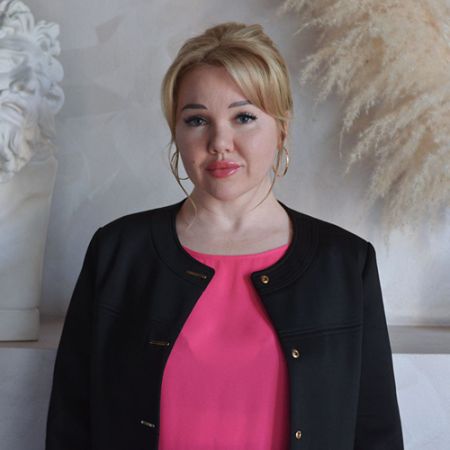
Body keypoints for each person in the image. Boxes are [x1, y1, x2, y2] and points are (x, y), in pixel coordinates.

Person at [45, 21, 404, 450]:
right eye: (197, 119)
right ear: (176, 132)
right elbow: (71, 423)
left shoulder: (345, 262)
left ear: (282, 126)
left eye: (244, 117)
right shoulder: (118, 252)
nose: (219, 142)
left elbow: (376, 431)